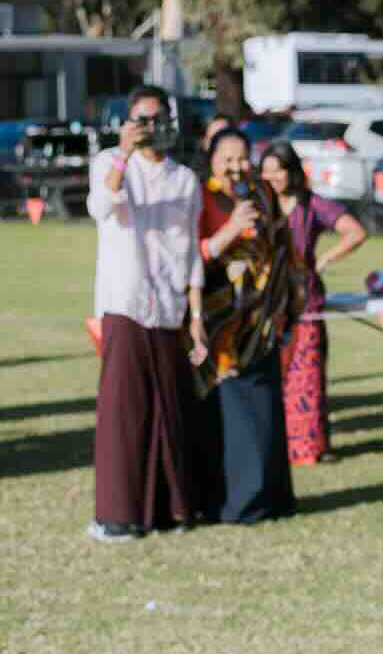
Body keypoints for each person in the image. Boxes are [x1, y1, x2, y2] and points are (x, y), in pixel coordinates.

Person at [85, 84, 205, 542]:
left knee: (167, 411)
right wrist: (122, 156)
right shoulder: (111, 164)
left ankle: (170, 508)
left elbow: (191, 251)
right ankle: (116, 514)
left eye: (157, 118)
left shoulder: (184, 180)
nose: (150, 127)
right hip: (125, 301)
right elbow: (100, 206)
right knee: (124, 412)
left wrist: (195, 316)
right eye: (141, 118)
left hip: (170, 306)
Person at [189, 127, 302, 524]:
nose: (236, 168)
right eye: (227, 159)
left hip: (264, 321)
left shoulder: (262, 192)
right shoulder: (200, 196)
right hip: (221, 328)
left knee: (266, 417)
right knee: (233, 421)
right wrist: (230, 230)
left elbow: (283, 245)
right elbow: (190, 257)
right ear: (212, 159)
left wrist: (287, 301)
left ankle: (274, 499)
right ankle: (237, 504)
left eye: (242, 158)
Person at [259, 143, 366, 465]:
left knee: (306, 382)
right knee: (270, 382)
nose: (272, 176)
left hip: (305, 306)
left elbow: (355, 232)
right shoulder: (259, 206)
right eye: (266, 169)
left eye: (278, 168)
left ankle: (310, 448)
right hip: (266, 307)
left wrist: (324, 259)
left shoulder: (314, 206)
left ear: (292, 171)